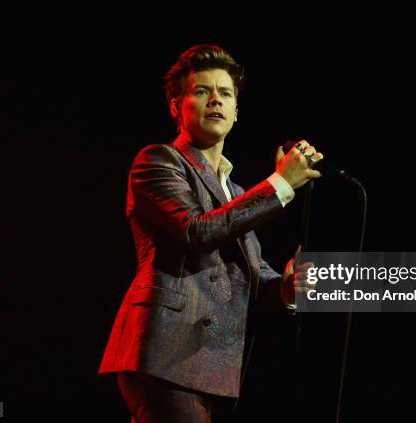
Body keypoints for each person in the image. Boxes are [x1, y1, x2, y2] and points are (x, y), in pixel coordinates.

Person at [98, 44, 323, 422]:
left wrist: (285, 286)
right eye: (202, 91)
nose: (215, 100)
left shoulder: (235, 193)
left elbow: (248, 270)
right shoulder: (158, 161)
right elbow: (196, 231)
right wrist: (280, 185)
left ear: (236, 112)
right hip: (166, 353)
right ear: (176, 106)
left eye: (226, 93)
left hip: (215, 365)